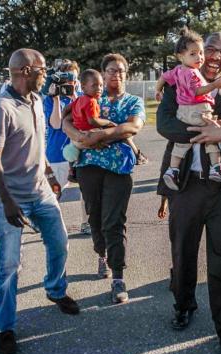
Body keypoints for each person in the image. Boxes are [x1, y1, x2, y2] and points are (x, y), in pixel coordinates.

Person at [156, 32, 221, 354]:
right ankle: (183, 304)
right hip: (185, 184)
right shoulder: (180, 82)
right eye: (209, 49)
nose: (213, 56)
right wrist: (203, 131)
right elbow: (164, 123)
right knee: (183, 250)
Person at [0, 49, 80, 354]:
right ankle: (5, 326)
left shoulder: (37, 101)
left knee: (60, 242)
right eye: (42, 70)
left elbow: (36, 145)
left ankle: (55, 289)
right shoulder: (2, 107)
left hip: (40, 191)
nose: (47, 75)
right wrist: (8, 202)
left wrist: (50, 173)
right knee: (9, 263)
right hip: (10, 198)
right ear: (25, 71)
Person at [62, 53, 145, 303]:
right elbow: (65, 121)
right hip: (88, 166)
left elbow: (132, 127)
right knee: (95, 217)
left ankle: (118, 277)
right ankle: (102, 254)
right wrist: (77, 135)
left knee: (114, 220)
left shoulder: (133, 101)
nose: (115, 74)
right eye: (110, 70)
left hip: (119, 168)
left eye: (120, 70)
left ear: (125, 74)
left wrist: (98, 136)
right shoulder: (85, 97)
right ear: (102, 73)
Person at [156, 28, 221, 189]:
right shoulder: (193, 73)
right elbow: (196, 92)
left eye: (201, 53)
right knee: (211, 136)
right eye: (193, 54)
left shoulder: (177, 71)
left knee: (181, 145)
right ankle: (216, 168)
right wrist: (215, 85)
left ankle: (172, 170)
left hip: (183, 112)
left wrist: (157, 89)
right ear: (181, 56)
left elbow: (163, 77)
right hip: (198, 110)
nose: (200, 57)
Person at [43, 59, 91, 234]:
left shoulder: (81, 96)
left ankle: (86, 222)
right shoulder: (51, 99)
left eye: (74, 80)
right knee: (53, 193)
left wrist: (76, 99)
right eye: (67, 81)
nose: (71, 84)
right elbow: (55, 124)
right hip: (57, 154)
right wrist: (56, 100)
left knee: (86, 191)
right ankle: (48, 224)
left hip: (80, 153)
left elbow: (85, 122)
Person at [62, 69, 116, 163]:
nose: (99, 88)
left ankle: (73, 167)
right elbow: (93, 121)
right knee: (116, 135)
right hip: (89, 133)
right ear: (83, 88)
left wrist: (63, 121)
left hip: (76, 135)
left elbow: (66, 109)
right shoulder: (91, 101)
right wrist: (108, 122)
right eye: (94, 85)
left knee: (74, 153)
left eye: (101, 85)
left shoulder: (79, 99)